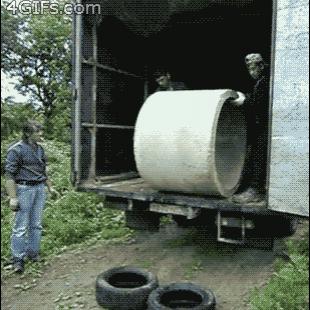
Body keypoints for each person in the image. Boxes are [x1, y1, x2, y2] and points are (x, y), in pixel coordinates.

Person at [5, 120, 58, 273]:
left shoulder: (40, 150)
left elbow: (43, 172)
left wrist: (50, 187)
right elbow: (9, 176)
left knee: (36, 224)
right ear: (28, 133)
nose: (41, 134)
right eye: (38, 131)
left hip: (39, 189)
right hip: (24, 189)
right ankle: (18, 259)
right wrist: (13, 197)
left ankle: (33, 254)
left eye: (41, 131)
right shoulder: (16, 150)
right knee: (20, 227)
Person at [231, 53, 270, 203]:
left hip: (266, 126)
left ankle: (256, 190)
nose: (251, 72)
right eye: (248, 69)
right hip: (260, 126)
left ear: (261, 65)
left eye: (253, 68)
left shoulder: (266, 81)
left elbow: (260, 103)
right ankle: (252, 188)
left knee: (259, 157)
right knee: (254, 156)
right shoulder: (261, 80)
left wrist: (245, 101)